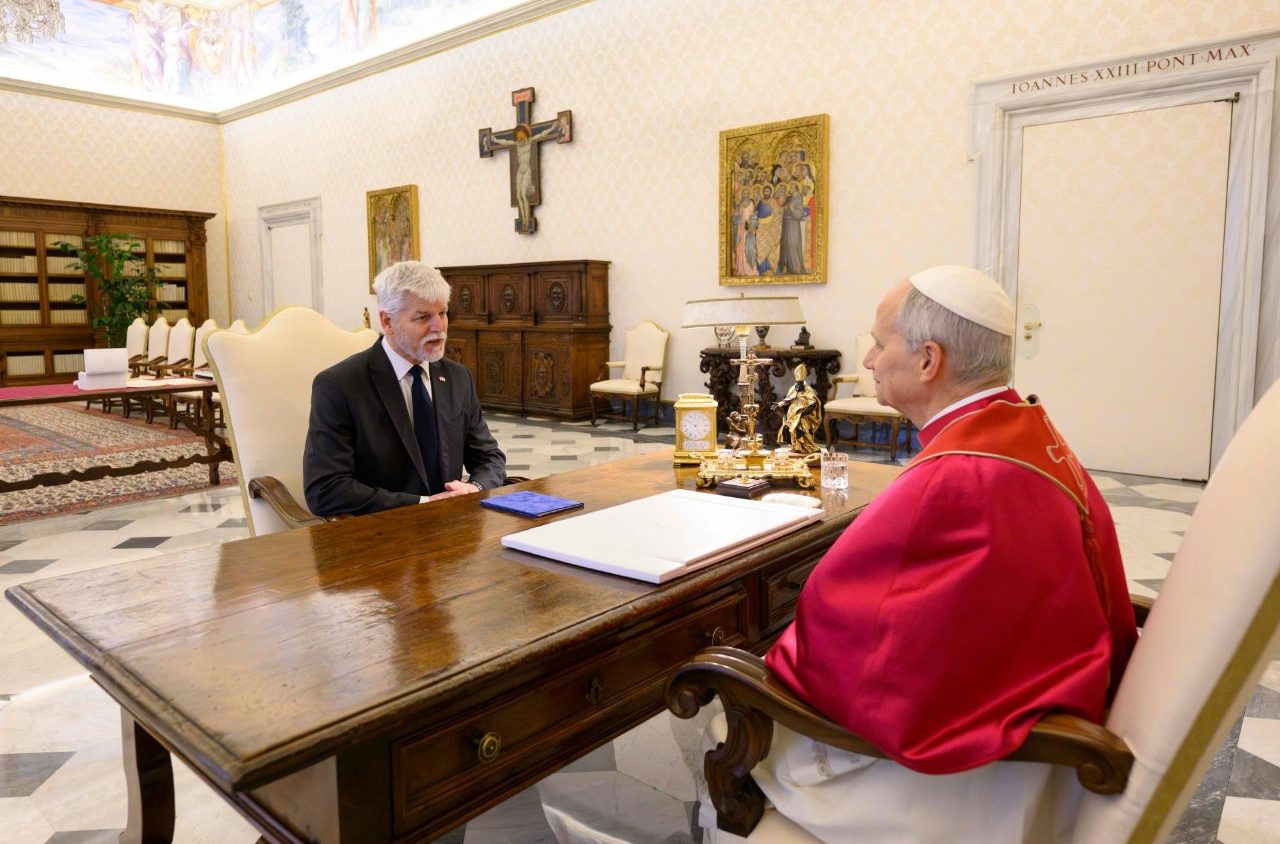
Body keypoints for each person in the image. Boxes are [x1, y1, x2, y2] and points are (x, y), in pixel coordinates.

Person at [705, 266, 1138, 842]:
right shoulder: (1024, 428)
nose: (869, 360)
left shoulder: (956, 478)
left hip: (979, 792)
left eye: (880, 344)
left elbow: (853, 644)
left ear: (929, 360)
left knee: (725, 719)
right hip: (1047, 739)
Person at [303, 261, 506, 516]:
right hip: (383, 530)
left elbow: (489, 457)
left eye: (443, 313)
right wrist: (423, 503)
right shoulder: (339, 385)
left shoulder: (457, 377)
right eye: (423, 317)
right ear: (387, 321)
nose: (439, 327)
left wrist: (474, 488)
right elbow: (325, 489)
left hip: (454, 526)